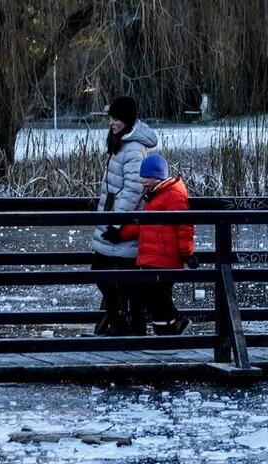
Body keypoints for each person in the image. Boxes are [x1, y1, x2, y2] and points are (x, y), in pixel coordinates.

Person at [101, 153, 194, 336]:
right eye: (142, 178)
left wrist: (187, 253)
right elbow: (143, 225)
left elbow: (184, 226)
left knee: (158, 298)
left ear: (158, 177)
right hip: (153, 258)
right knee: (153, 297)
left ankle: (167, 337)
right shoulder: (153, 196)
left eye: (147, 178)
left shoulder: (173, 195)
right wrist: (120, 234)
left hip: (165, 259)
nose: (143, 182)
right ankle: (170, 331)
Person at [91, 96, 159, 336]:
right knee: (118, 277)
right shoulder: (121, 142)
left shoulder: (132, 148)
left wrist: (116, 224)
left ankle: (123, 325)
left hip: (121, 222)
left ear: (127, 120)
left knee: (109, 273)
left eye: (116, 118)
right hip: (112, 218)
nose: (112, 123)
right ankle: (125, 325)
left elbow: (133, 188)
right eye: (111, 118)